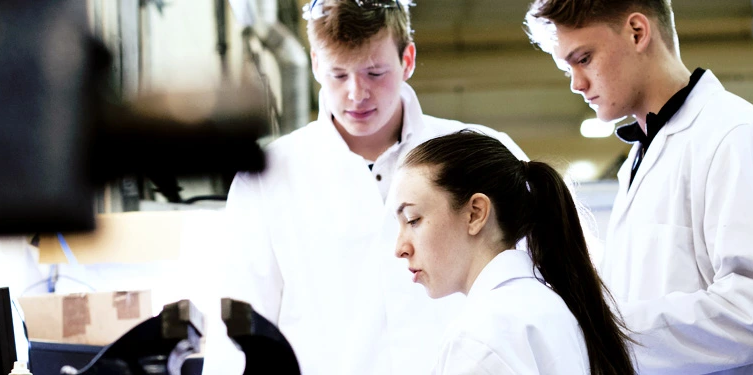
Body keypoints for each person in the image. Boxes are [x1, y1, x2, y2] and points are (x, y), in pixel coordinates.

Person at [204, 1, 527, 374]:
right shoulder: (266, 177)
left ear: (408, 59)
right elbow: (240, 327)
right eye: (338, 74)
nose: (357, 93)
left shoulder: (482, 155)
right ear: (315, 64)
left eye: (375, 73)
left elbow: (533, 289)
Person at [523, 0, 753, 373]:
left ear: (637, 32)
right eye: (567, 68)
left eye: (583, 59)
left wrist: (604, 327)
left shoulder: (737, 137)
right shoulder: (641, 157)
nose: (576, 83)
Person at [391, 130, 635, 375]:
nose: (400, 249)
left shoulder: (481, 336)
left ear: (475, 213)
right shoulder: (550, 306)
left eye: (413, 220)